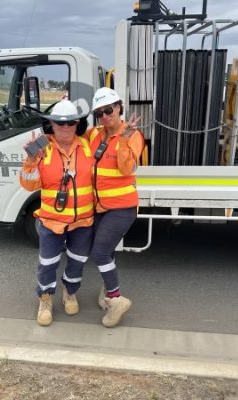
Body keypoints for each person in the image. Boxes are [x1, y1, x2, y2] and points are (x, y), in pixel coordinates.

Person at [20, 100, 94, 327]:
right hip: (51, 222)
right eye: (59, 123)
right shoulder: (41, 148)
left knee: (77, 261)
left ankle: (70, 292)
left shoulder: (88, 145)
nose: (65, 127)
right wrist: (31, 161)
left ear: (78, 124)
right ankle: (45, 299)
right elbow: (29, 185)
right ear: (50, 124)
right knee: (48, 262)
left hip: (83, 221)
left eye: (70, 122)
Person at [86, 87, 144, 328]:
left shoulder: (133, 135)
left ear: (119, 107)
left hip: (122, 207)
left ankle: (116, 298)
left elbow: (126, 168)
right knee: (105, 252)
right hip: (99, 207)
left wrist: (122, 138)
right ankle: (108, 293)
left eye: (108, 110)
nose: (105, 116)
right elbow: (67, 134)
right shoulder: (93, 134)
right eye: (99, 112)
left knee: (99, 253)